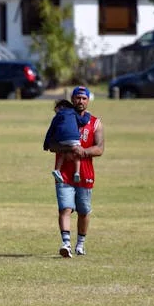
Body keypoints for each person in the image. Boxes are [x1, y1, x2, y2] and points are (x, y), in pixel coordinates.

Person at [48, 86, 104, 258]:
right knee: (65, 208)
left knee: (84, 211)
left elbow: (100, 148)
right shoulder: (63, 119)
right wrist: (68, 147)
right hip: (64, 173)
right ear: (72, 100)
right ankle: (65, 243)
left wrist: (84, 152)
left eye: (84, 98)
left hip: (85, 173)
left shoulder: (95, 122)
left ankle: (80, 244)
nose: (80, 101)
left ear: (88, 100)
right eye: (77, 98)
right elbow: (51, 145)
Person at [43, 98, 84, 184]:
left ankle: (57, 170)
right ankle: (77, 172)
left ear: (61, 107)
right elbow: (82, 121)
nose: (55, 111)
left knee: (62, 153)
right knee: (77, 154)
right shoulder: (74, 112)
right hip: (73, 138)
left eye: (55, 108)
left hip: (61, 139)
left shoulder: (57, 116)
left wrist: (46, 144)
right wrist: (87, 115)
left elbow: (50, 131)